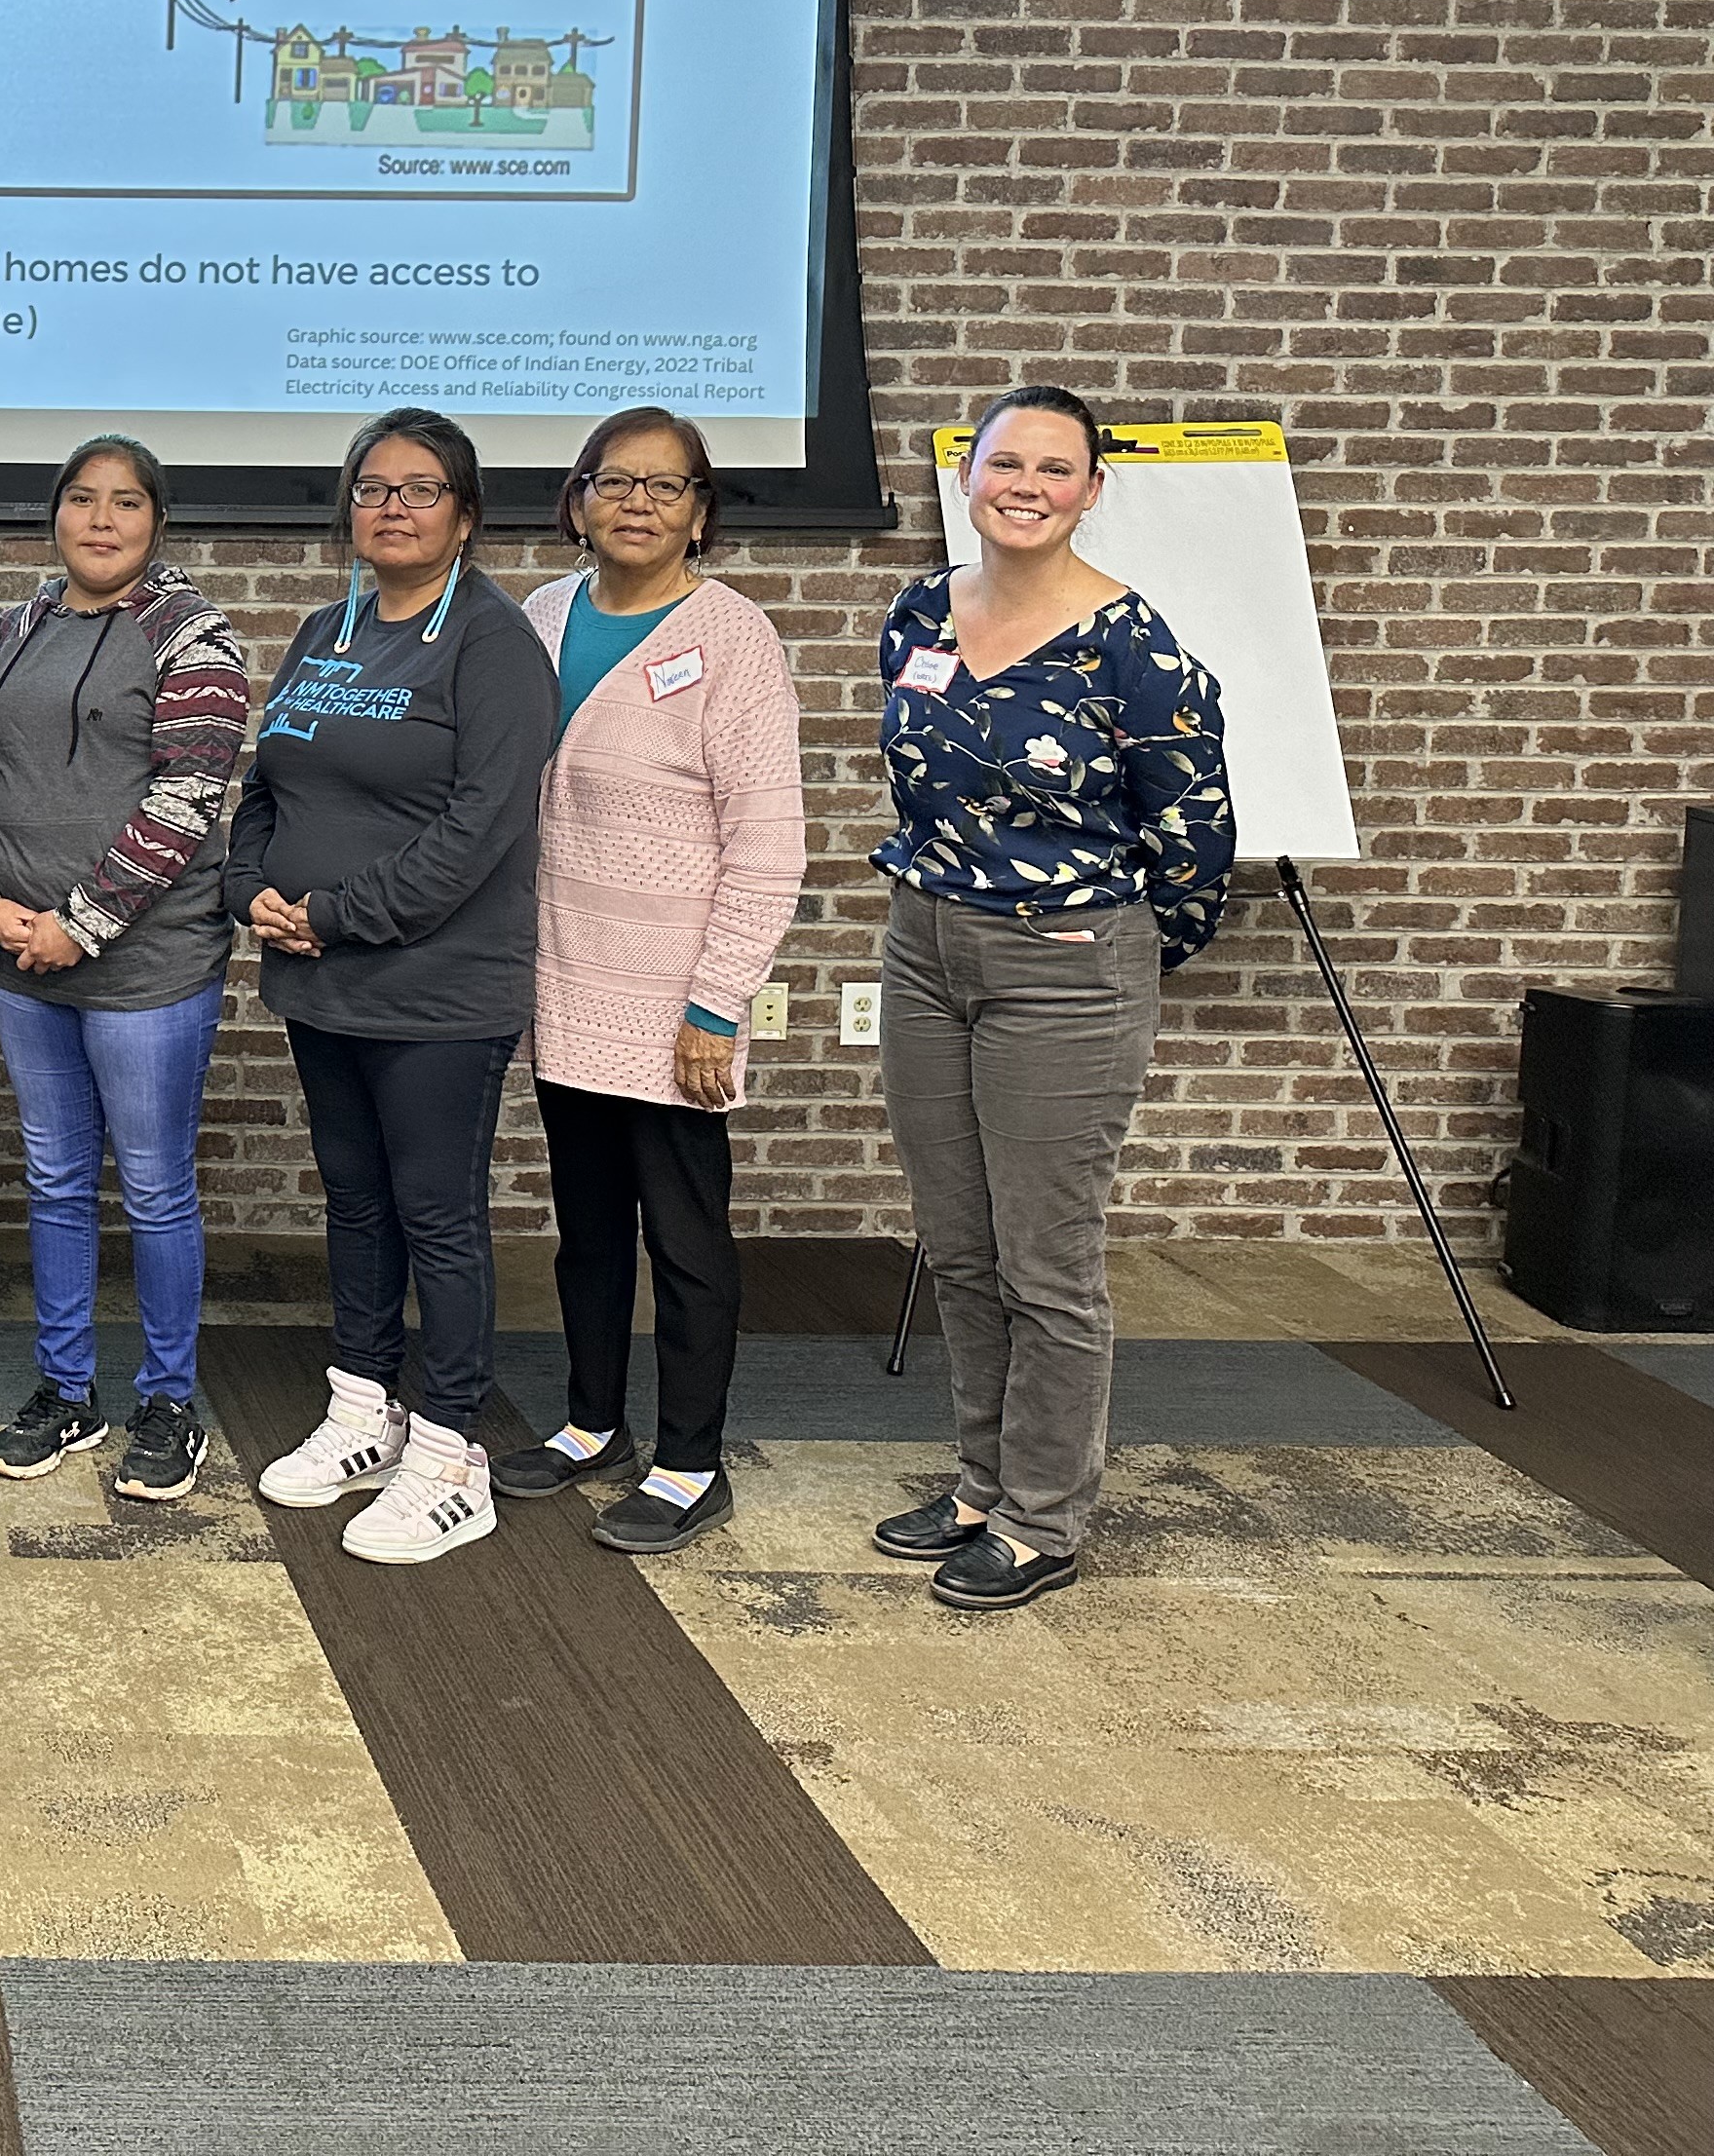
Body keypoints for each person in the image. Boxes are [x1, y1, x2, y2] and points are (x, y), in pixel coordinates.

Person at [870, 384, 1231, 1611]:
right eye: (1003, 461)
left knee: (1048, 1261)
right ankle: (981, 1484)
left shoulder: (1136, 646)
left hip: (1067, 964)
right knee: (962, 1248)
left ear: (1090, 489)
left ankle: (1044, 1520)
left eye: (1054, 469)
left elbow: (1194, 834)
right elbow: (915, 783)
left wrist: (1111, 951)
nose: (1024, 485)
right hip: (923, 946)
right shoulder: (921, 608)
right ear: (967, 474)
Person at [230, 406, 556, 1565]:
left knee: (441, 1219)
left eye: (421, 491)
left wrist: (335, 914)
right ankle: (365, 1409)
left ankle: (451, 1450)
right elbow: (267, 781)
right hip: (322, 986)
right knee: (357, 1203)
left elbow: (479, 831)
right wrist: (249, 889)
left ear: (466, 516)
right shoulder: (327, 627)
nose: (393, 507)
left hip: (437, 994)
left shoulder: (496, 644)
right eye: (374, 488)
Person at [502, 408, 805, 1553]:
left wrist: (714, 1005)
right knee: (584, 1226)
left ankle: (689, 1459)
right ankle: (593, 1425)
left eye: (666, 487)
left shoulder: (734, 640)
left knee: (684, 1237)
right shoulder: (540, 616)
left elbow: (769, 845)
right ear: (577, 499)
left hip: (675, 1001)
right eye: (614, 481)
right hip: (565, 979)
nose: (637, 502)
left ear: (701, 511)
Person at [0, 434, 248, 1504]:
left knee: (156, 1190)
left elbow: (185, 802)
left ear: (156, 521)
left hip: (145, 971)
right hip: (23, 959)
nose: (101, 521)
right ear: (55, 514)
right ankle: (66, 1391)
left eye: (124, 504)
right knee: (59, 1183)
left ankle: (169, 1404)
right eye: (82, 500)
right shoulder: (8, 630)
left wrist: (81, 920)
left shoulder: (193, 638)